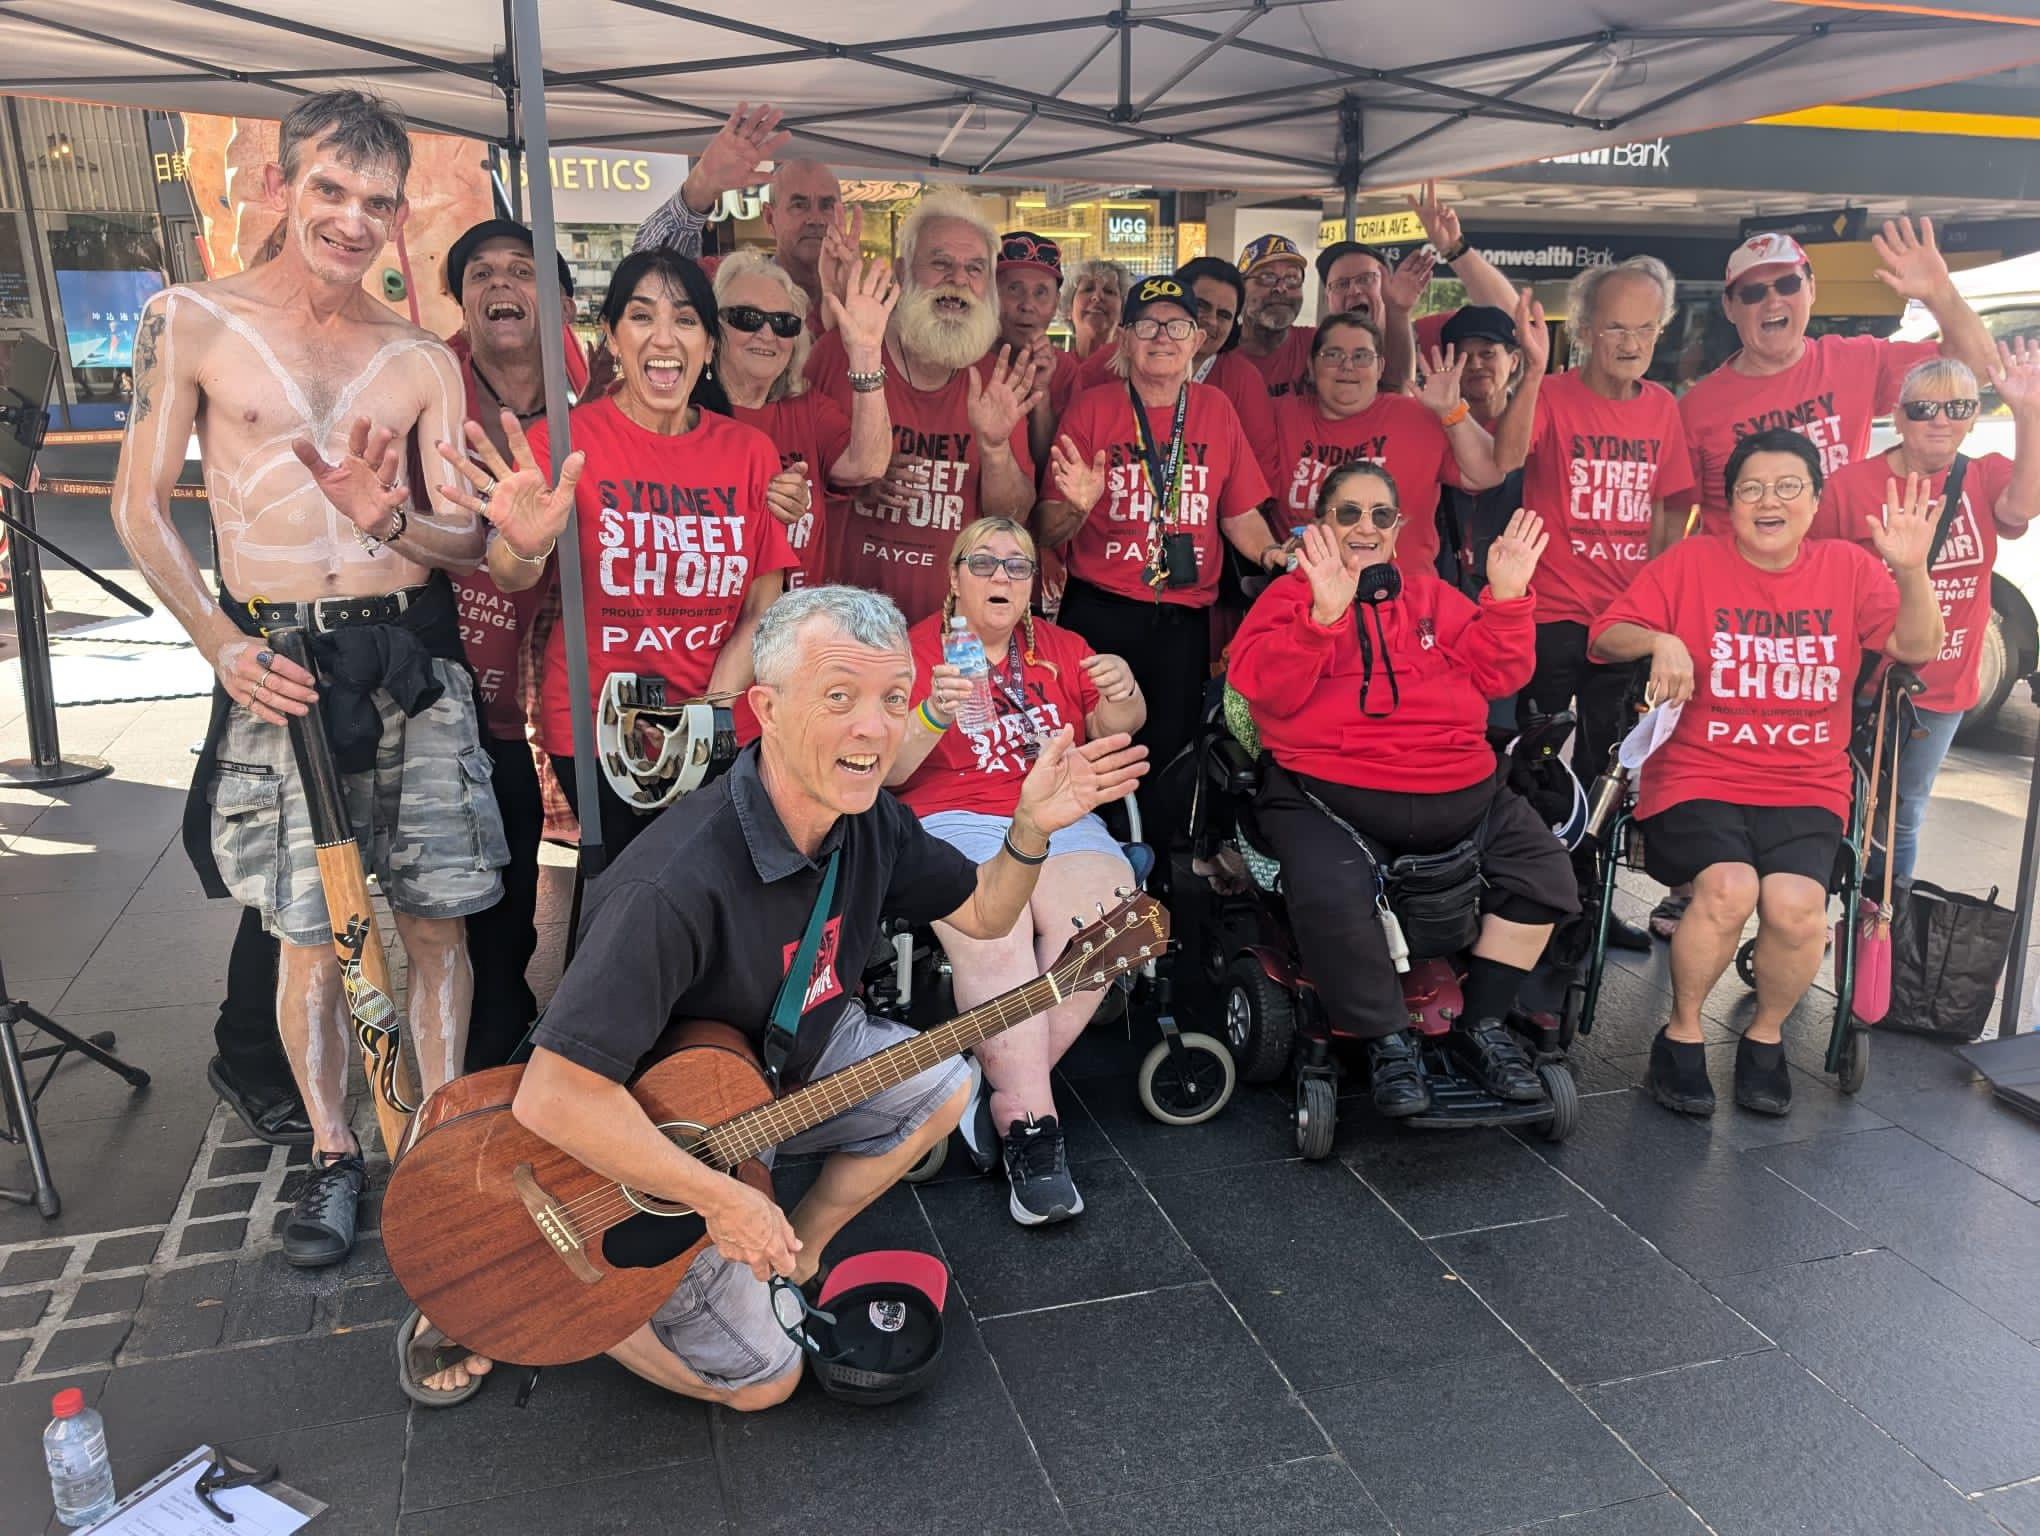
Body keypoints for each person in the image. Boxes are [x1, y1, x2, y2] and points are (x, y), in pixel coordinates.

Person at [408, 585, 1148, 1408]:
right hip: (636, 1133)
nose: (875, 727)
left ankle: (802, 1252)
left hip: (766, 1077)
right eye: (840, 697)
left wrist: (1032, 830)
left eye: (893, 698)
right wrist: (722, 1199)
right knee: (764, 1384)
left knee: (944, 1082)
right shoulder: (674, 884)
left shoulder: (871, 821)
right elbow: (554, 1097)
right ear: (766, 706)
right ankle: (587, 1312)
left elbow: (985, 912)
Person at [112, 91, 502, 1267]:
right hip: (278, 657)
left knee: (437, 918)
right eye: (331, 190)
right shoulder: (189, 320)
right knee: (308, 931)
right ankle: (336, 1153)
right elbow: (139, 511)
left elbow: (468, 542)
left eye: (378, 203)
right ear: (283, 187)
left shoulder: (421, 356)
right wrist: (220, 646)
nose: (353, 221)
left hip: (406, 659)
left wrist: (400, 521)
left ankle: (436, 1143)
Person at [1589, 430, 1944, 1118]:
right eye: (1751, 488)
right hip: (1697, 774)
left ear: (1815, 501)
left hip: (1806, 784)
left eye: (1788, 487)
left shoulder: (1847, 568)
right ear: (1730, 505)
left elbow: (1917, 647)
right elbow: (1605, 635)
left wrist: (1910, 570)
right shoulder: (1691, 561)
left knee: (1796, 908)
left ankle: (1765, 1038)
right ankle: (1682, 1036)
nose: (1769, 501)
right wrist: (1661, 638)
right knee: (1727, 888)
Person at [1229, 463, 1577, 1116]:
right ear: (1321, 525)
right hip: (1329, 797)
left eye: (1380, 515)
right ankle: (1387, 1042)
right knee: (1330, 888)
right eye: (1348, 513)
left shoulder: (1437, 598)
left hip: (1465, 793)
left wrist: (1506, 597)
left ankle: (1483, 1024)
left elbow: (1500, 674)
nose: (1365, 527)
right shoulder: (1285, 599)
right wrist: (1322, 616)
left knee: (1545, 870)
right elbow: (1262, 690)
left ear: (1398, 530)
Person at [444, 250, 796, 859]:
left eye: (686, 320)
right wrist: (525, 546)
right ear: (610, 334)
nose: (664, 338)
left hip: (714, 722)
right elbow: (508, 571)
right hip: (595, 727)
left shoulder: (750, 452)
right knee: (628, 889)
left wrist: (701, 720)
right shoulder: (565, 441)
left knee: (701, 893)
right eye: (641, 317)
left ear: (710, 345)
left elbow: (762, 613)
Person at [887, 520, 1145, 1225]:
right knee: (997, 937)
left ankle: (974, 1087)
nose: (1001, 577)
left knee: (1115, 925)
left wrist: (1123, 690)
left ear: (1035, 585)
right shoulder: (909, 652)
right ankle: (1031, 1127)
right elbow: (888, 771)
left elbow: (1119, 725)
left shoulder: (1062, 650)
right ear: (953, 575)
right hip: (951, 819)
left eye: (1018, 566)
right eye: (984, 563)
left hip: (1057, 813)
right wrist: (935, 711)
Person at [1810, 344, 2040, 881]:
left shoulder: (1984, 476)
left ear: (1975, 416)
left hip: (1940, 687)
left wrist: (2028, 413)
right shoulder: (1852, 487)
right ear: (1898, 415)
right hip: (1862, 681)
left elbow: (2022, 507)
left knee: (1903, 817)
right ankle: (1811, 912)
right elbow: (1815, 576)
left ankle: (1878, 930)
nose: (1940, 419)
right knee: (1831, 805)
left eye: (1957, 408)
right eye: (1923, 408)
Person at [1038, 274, 1281, 774]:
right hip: (1100, 611)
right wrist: (1078, 506)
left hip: (1182, 617)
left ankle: (1160, 851)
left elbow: (1237, 514)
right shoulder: (1092, 408)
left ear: (1196, 339)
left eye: (1176, 326)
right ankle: (1094, 847)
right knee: (1091, 748)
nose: (1163, 337)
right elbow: (1042, 528)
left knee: (1170, 755)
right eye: (1147, 326)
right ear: (1124, 339)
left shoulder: (1216, 408)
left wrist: (1271, 553)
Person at [1676, 222, 1997, 541]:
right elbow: (1672, 521)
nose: (1773, 301)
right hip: (1744, 584)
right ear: (1729, 308)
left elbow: (1978, 368)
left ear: (1812, 289)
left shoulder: (1856, 361)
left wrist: (1939, 292)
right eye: (1754, 293)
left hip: (1841, 579)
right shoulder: (1697, 409)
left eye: (1788, 284)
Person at [805, 189, 1039, 621]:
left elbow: (1012, 515)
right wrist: (858, 476)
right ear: (901, 271)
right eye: (940, 263)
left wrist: (994, 447)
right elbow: (793, 483)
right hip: (843, 629)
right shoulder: (837, 354)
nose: (958, 278)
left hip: (951, 635)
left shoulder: (994, 377)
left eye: (975, 269)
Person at [1267, 312, 1512, 577]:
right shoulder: (1279, 416)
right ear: (1312, 366)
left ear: (1380, 367)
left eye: (1362, 356)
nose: (1347, 366)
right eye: (1333, 355)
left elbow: (1490, 474)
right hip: (1306, 597)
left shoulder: (1417, 416)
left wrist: (1452, 411)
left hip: (1404, 599)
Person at [713, 249, 896, 591]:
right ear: (712, 324)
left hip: (794, 630)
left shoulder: (806, 408)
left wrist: (867, 353)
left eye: (784, 323)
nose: (767, 334)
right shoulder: (685, 411)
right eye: (746, 318)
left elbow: (868, 464)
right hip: (708, 630)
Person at [632, 102, 842, 341]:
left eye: (827, 205)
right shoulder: (728, 284)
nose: (815, 218)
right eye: (799, 205)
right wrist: (698, 189)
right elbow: (646, 276)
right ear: (770, 218)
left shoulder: (864, 304)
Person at [1436, 304, 1526, 593]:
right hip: (1445, 590)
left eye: (1487, 353)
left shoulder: (1535, 425)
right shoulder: (1431, 426)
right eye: (1464, 357)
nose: (1475, 365)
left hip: (1520, 588)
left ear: (1513, 360)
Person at [993, 232, 1083, 466]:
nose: (1027, 305)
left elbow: (1051, 470)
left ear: (1055, 304)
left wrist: (1040, 393)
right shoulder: (964, 359)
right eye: (1014, 288)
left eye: (1041, 292)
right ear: (989, 295)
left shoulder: (1066, 370)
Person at [1234, 233, 1314, 397]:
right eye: (1267, 277)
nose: (1281, 288)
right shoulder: (1215, 355)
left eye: (1292, 278)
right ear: (1240, 289)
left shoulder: (1318, 345)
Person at [1063, 257, 1130, 362]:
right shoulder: (1051, 371)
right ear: (1068, 309)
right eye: (1088, 289)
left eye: (1109, 291)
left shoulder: (1136, 373)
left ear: (1122, 312)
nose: (1098, 297)